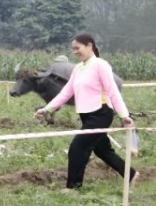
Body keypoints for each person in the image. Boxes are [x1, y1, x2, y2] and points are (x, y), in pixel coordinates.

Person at [35, 33, 137, 190]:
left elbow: (113, 92)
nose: (75, 52)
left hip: (100, 114)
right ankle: (130, 174)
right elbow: (66, 93)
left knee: (77, 148)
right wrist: (47, 109)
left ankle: (73, 187)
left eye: (78, 48)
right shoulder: (78, 68)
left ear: (90, 46)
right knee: (103, 151)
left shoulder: (101, 65)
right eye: (73, 49)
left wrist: (124, 116)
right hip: (86, 115)